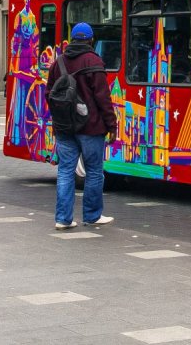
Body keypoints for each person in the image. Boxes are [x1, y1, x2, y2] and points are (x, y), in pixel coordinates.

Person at [50, 22, 119, 230]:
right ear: (91, 40)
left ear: (72, 39)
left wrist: (61, 118)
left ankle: (63, 219)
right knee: (95, 172)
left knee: (65, 171)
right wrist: (112, 125)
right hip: (91, 127)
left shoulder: (58, 63)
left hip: (64, 128)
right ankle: (92, 215)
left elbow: (49, 95)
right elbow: (103, 98)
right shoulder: (93, 61)